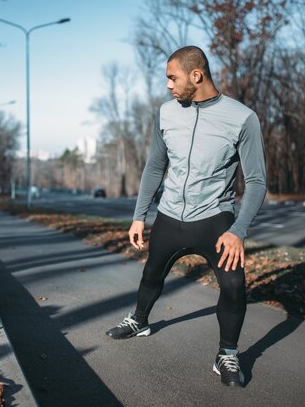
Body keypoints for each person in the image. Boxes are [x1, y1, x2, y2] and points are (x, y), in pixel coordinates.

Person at [105, 46, 267, 387]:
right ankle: (140, 321)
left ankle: (227, 354)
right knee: (151, 274)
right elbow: (154, 166)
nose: (168, 85)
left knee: (234, 284)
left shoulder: (242, 118)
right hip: (169, 216)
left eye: (172, 77)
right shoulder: (166, 113)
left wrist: (238, 230)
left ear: (197, 76)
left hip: (215, 218)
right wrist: (139, 215)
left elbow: (256, 182)